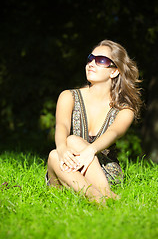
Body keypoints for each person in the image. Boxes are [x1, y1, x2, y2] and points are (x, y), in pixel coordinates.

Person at [46, 39, 142, 203]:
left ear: (114, 72)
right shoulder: (68, 96)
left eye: (101, 60)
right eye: (91, 58)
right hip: (68, 166)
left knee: (62, 149)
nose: (91, 63)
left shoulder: (125, 110)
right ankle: (104, 198)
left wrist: (90, 151)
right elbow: (61, 126)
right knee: (57, 153)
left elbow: (114, 132)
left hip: (104, 173)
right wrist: (62, 148)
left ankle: (100, 195)